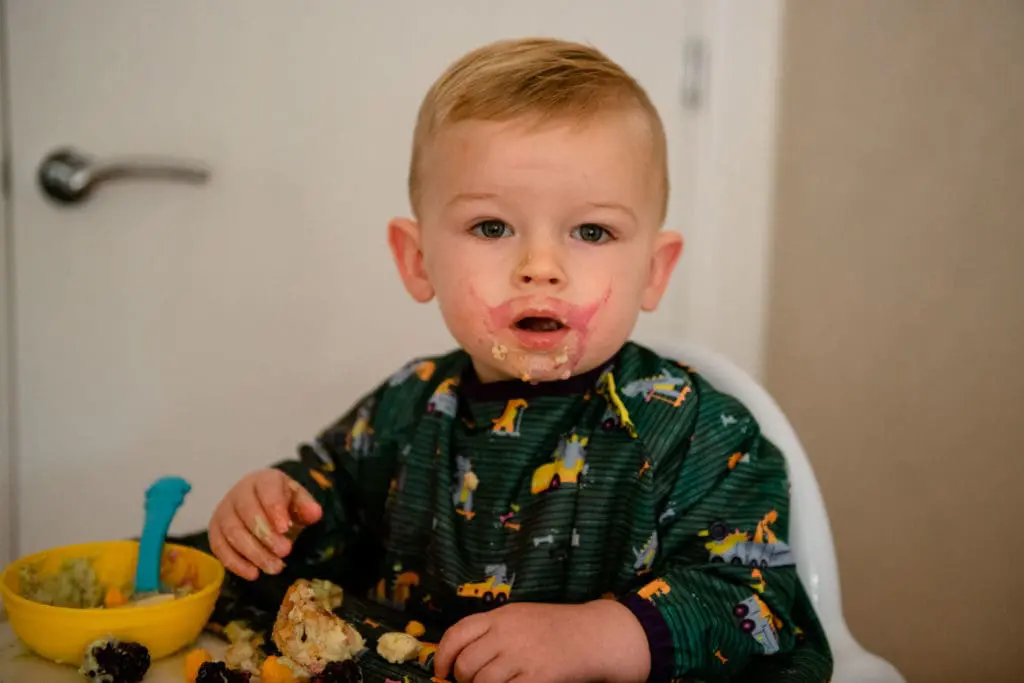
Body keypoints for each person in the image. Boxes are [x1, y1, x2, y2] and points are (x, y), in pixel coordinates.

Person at [200, 37, 833, 683]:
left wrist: (601, 635)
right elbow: (330, 509)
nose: (540, 267)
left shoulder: (700, 431)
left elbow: (750, 598)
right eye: (492, 227)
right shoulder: (408, 406)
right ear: (417, 261)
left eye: (591, 232)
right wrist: (273, 510)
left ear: (654, 269)